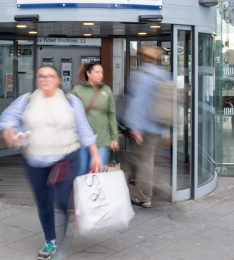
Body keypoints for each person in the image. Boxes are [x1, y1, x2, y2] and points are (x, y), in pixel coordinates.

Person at [0, 65, 101, 260]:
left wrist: (94, 153)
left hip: (66, 158)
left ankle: (71, 213)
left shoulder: (71, 101)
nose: (45, 80)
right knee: (44, 203)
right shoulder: (27, 100)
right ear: (37, 80)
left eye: (50, 76)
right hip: (35, 160)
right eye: (41, 76)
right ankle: (51, 240)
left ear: (58, 80)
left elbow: (83, 129)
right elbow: (8, 118)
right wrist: (9, 131)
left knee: (61, 200)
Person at [121, 45, 170, 209]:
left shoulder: (139, 76)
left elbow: (136, 103)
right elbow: (169, 103)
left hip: (142, 127)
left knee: (141, 161)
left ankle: (144, 196)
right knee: (147, 159)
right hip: (157, 126)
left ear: (143, 58)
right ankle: (154, 186)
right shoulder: (163, 75)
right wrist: (170, 131)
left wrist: (133, 127)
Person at [72, 61, 119, 175]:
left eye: (101, 72)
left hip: (102, 139)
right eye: (97, 72)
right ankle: (82, 193)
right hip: (82, 139)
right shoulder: (77, 90)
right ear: (88, 73)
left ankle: (97, 193)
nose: (100, 75)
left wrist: (114, 138)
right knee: (81, 171)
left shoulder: (106, 90)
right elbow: (72, 115)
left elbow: (111, 114)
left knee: (98, 171)